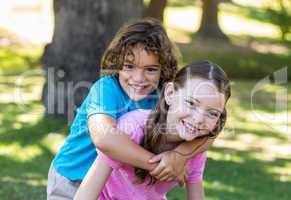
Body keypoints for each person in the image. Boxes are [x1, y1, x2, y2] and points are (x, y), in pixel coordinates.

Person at [47, 19, 214, 200]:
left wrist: (179, 156)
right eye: (129, 66)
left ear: (163, 69)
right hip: (73, 178)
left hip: (114, 186)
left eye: (150, 69)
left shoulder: (163, 96)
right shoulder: (106, 90)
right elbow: (105, 138)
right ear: (117, 63)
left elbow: (208, 132)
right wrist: (158, 165)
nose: (138, 78)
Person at [74, 60, 231, 200]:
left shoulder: (195, 148)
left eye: (212, 113)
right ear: (170, 93)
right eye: (191, 103)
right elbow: (88, 190)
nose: (198, 119)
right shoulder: (134, 128)